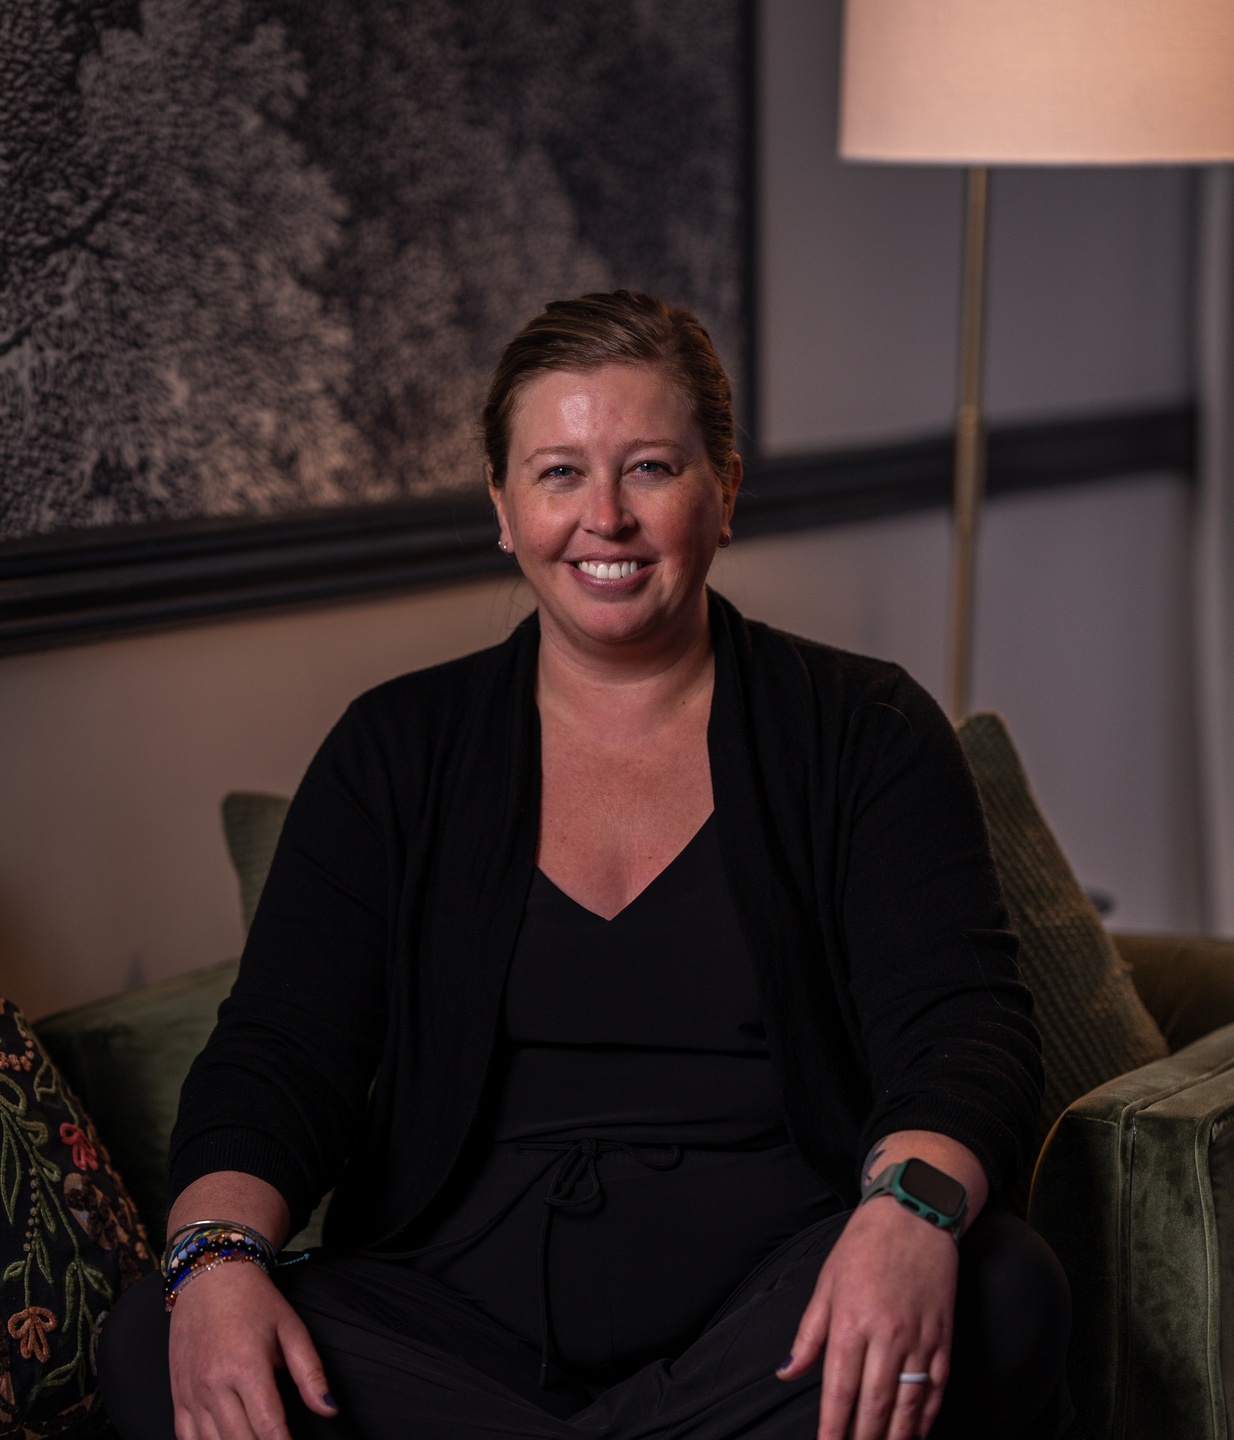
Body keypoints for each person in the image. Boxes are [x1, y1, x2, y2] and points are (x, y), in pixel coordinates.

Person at [98, 291, 1073, 1440]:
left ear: (724, 492)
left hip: (777, 1308)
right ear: (502, 507)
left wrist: (907, 1216)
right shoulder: (394, 748)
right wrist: (213, 1262)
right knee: (159, 1336)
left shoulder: (863, 729)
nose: (604, 518)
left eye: (650, 467)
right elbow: (278, 1055)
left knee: (997, 1287)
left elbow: (960, 1028)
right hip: (450, 1317)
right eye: (559, 473)